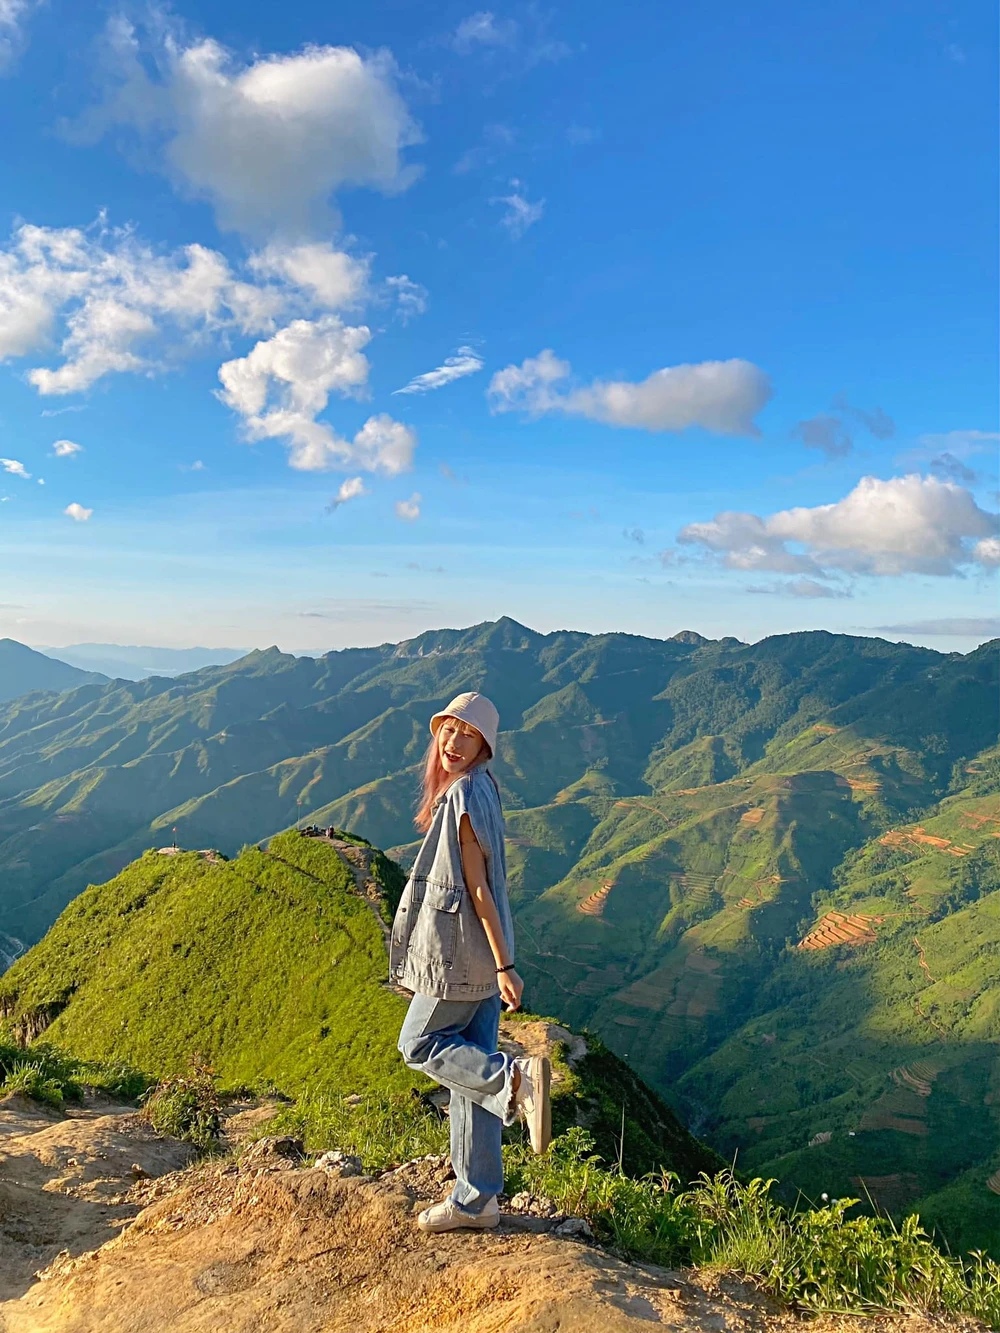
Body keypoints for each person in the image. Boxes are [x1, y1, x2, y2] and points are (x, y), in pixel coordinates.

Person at [390, 691, 551, 1233]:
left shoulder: (462, 796)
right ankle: (477, 1198)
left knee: (419, 1043)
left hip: (457, 952)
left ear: (486, 745)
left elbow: (478, 886)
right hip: (480, 953)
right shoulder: (484, 790)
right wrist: (502, 960)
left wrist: (505, 965)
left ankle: (515, 1082)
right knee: (467, 1072)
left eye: (467, 734)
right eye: (448, 731)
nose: (454, 743)